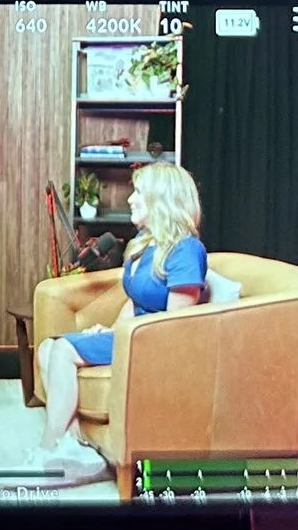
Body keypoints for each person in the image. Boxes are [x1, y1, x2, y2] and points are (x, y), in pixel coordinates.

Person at [30, 159, 209, 483]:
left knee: (64, 349)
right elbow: (134, 300)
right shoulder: (146, 247)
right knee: (46, 348)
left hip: (150, 344)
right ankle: (76, 449)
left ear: (160, 200)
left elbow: (176, 326)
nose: (130, 199)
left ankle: (48, 447)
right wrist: (111, 330)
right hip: (130, 335)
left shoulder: (185, 250)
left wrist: (123, 337)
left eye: (138, 191)